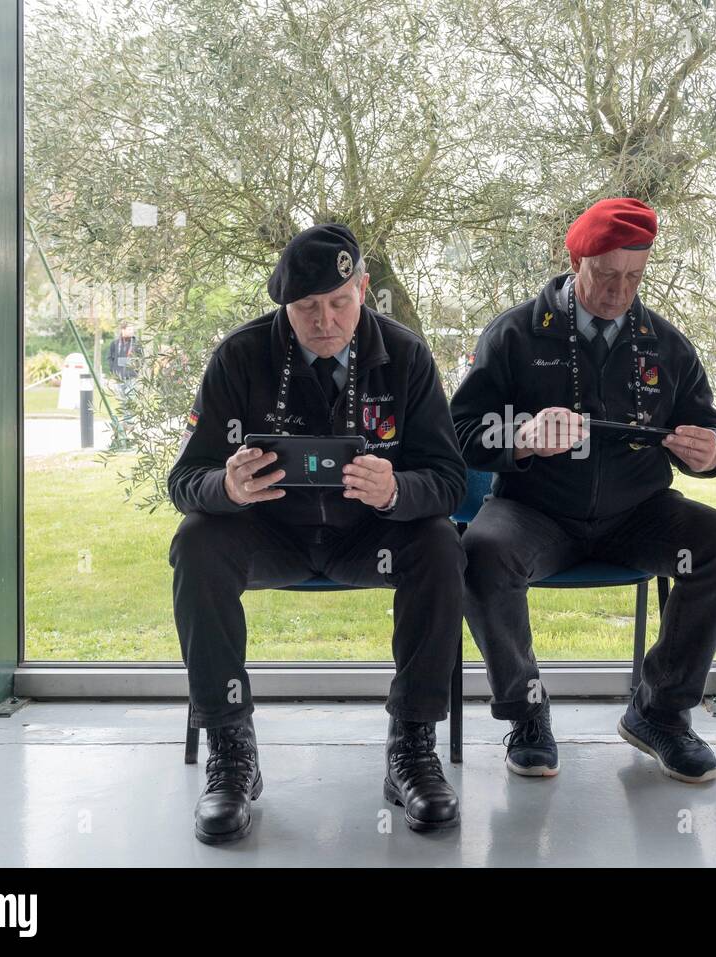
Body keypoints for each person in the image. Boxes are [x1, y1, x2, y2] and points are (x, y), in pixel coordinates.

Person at [168, 224, 467, 842]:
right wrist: (225, 487)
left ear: (362, 288)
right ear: (285, 306)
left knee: (441, 543)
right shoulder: (241, 356)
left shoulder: (406, 357)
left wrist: (397, 491)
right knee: (197, 542)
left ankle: (412, 743)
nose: (325, 321)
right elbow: (184, 481)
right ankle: (231, 749)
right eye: (306, 308)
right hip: (269, 537)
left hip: (370, 536)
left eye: (339, 302)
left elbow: (449, 481)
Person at [452, 198, 716, 785]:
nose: (620, 291)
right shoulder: (514, 334)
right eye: (607, 275)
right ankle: (527, 713)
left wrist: (711, 451)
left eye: (634, 277)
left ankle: (659, 712)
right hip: (534, 511)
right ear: (576, 260)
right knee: (480, 552)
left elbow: (708, 426)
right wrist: (522, 437)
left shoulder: (665, 344)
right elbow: (459, 433)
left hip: (637, 513)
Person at [107, 321, 143, 403]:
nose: (132, 331)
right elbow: (110, 358)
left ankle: (130, 416)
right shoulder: (114, 344)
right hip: (119, 377)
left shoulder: (136, 344)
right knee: (122, 401)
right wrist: (113, 371)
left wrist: (136, 369)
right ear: (123, 330)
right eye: (129, 329)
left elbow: (141, 358)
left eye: (132, 330)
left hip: (131, 377)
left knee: (131, 400)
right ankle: (125, 416)